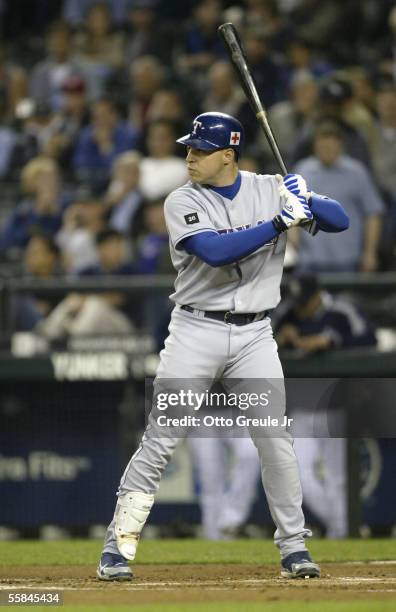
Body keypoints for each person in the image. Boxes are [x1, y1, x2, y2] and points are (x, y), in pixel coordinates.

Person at [97, 111, 349, 581]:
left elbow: (341, 221)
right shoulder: (180, 200)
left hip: (255, 335)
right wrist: (279, 222)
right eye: (189, 148)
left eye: (200, 150)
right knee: (161, 439)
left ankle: (294, 548)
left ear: (227, 155)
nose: (189, 157)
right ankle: (118, 545)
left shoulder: (270, 187)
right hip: (197, 332)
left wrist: (309, 198)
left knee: (275, 439)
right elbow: (214, 251)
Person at [274, 273, 377, 537]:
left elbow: (370, 341)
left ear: (318, 294)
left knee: (338, 479)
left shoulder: (341, 311)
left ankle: (341, 534)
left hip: (336, 407)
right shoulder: (287, 313)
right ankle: (343, 527)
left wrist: (331, 341)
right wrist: (279, 338)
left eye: (305, 301)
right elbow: (258, 342)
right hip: (301, 407)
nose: (300, 307)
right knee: (296, 476)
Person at [294, 121, 384, 272]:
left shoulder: (357, 173)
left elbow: (373, 214)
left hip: (348, 260)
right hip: (309, 260)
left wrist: (370, 253)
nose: (327, 150)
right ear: (315, 146)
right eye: (323, 146)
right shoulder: (303, 171)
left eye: (331, 146)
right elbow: (291, 212)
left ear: (340, 145)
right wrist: (293, 246)